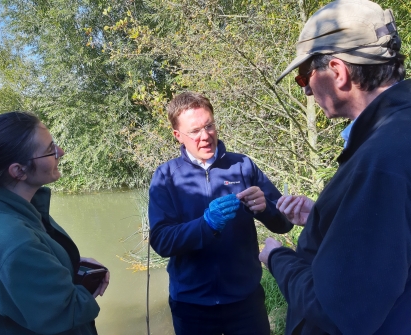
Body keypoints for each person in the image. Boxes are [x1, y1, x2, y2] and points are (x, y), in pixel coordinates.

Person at [259, 1, 411, 334]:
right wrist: (325, 217)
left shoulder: (380, 158)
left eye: (304, 77)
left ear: (338, 71)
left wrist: (277, 259)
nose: (307, 90)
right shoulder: (398, 133)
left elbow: (337, 313)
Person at [148, 92, 293, 335]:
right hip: (191, 305)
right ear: (178, 136)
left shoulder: (243, 166)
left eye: (209, 126)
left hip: (245, 300)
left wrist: (266, 209)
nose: (205, 136)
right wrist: (206, 225)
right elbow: (162, 241)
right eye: (194, 131)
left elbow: (284, 223)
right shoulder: (166, 177)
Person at [0, 112, 109, 334]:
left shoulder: (12, 209)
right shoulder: (14, 241)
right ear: (18, 171)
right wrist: (87, 285)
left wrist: (71, 265)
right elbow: (65, 311)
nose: (60, 152)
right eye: (50, 150)